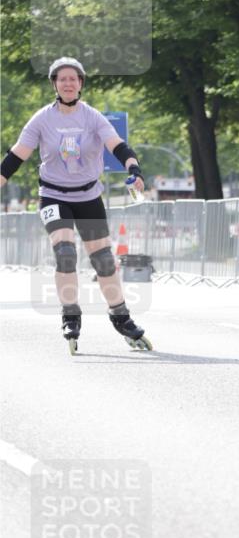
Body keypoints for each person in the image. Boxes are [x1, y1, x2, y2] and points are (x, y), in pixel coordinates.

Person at [0, 57, 152, 353]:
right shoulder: (42, 119)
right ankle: (70, 315)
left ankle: (121, 318)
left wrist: (135, 170)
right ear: (55, 84)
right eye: (62, 79)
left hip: (88, 196)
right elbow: (15, 157)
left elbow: (117, 146)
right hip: (54, 195)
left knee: (104, 261)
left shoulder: (92, 117)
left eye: (73, 79)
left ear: (81, 84)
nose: (68, 83)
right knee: (65, 252)